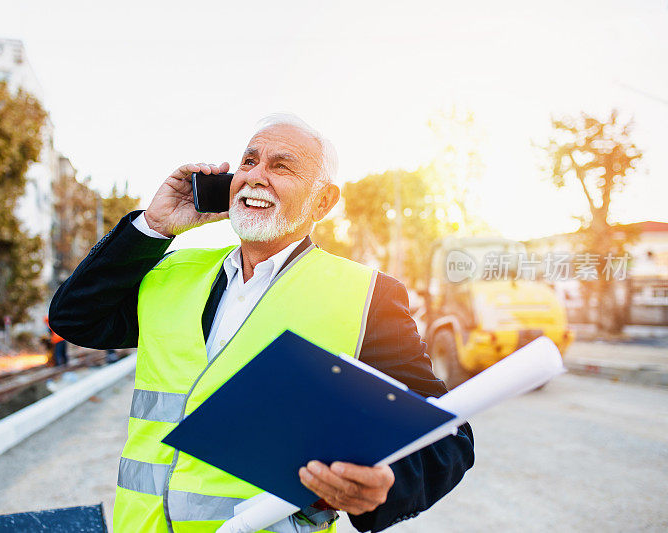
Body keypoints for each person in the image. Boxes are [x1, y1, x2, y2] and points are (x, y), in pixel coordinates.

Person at [48, 114, 474, 533]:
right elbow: (75, 318)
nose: (255, 176)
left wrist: (387, 483)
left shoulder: (367, 296)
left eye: (281, 166)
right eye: (248, 162)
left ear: (322, 201)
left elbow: (445, 437)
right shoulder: (172, 272)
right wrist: (153, 228)